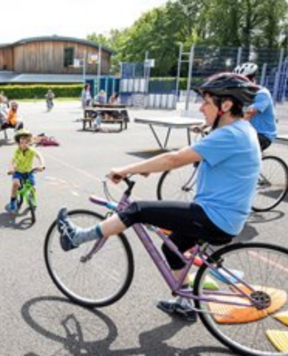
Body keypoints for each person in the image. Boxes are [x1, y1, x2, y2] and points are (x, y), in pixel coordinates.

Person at [56, 73, 261, 322]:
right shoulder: (242, 130)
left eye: (207, 101)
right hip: (220, 216)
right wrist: (147, 169)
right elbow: (194, 160)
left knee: (138, 210)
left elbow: (175, 158)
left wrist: (127, 169)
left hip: (214, 217)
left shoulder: (230, 135)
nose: (200, 107)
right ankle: (185, 303)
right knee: (172, 248)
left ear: (226, 105)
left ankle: (77, 237)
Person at [233, 62, 276, 151]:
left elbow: (248, 114)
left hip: (263, 135)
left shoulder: (262, 94)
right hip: (248, 132)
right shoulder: (242, 95)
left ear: (252, 79)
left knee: (234, 152)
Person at [6, 129, 45, 213]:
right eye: (21, 142)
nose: (23, 145)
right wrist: (11, 168)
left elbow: (39, 156)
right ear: (18, 143)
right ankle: (13, 201)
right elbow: (12, 161)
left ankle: (32, 197)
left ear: (29, 142)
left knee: (32, 187)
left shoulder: (31, 151)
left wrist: (41, 164)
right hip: (18, 171)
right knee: (15, 184)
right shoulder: (17, 151)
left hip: (28, 172)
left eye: (26, 142)